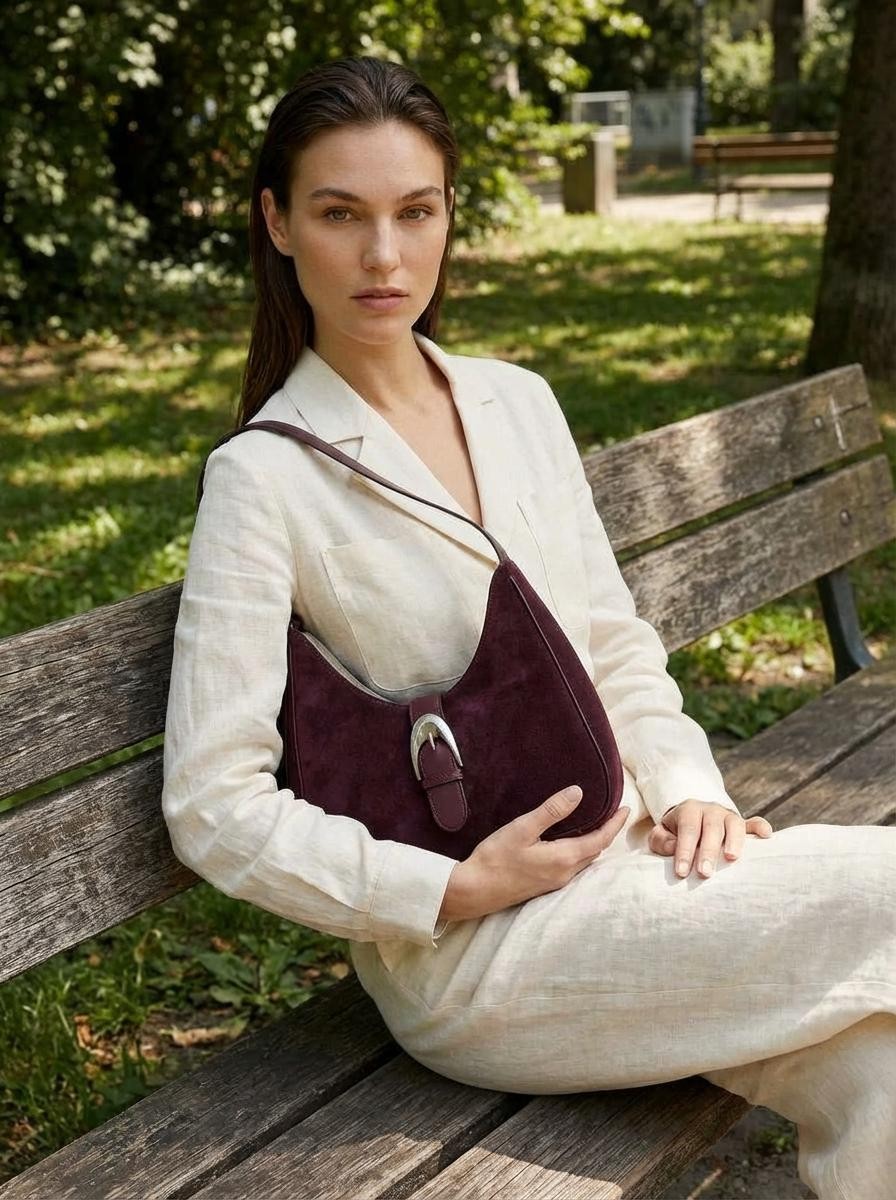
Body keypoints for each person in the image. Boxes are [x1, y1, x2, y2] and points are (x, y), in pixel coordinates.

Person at [161, 55, 895, 1200]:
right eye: (340, 215)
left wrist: (686, 787)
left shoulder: (517, 402)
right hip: (479, 951)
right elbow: (211, 804)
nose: (384, 255)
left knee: (877, 1069)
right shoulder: (263, 478)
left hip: (643, 857)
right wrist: (440, 893)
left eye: (415, 211)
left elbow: (606, 636)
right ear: (278, 223)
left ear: (449, 213)